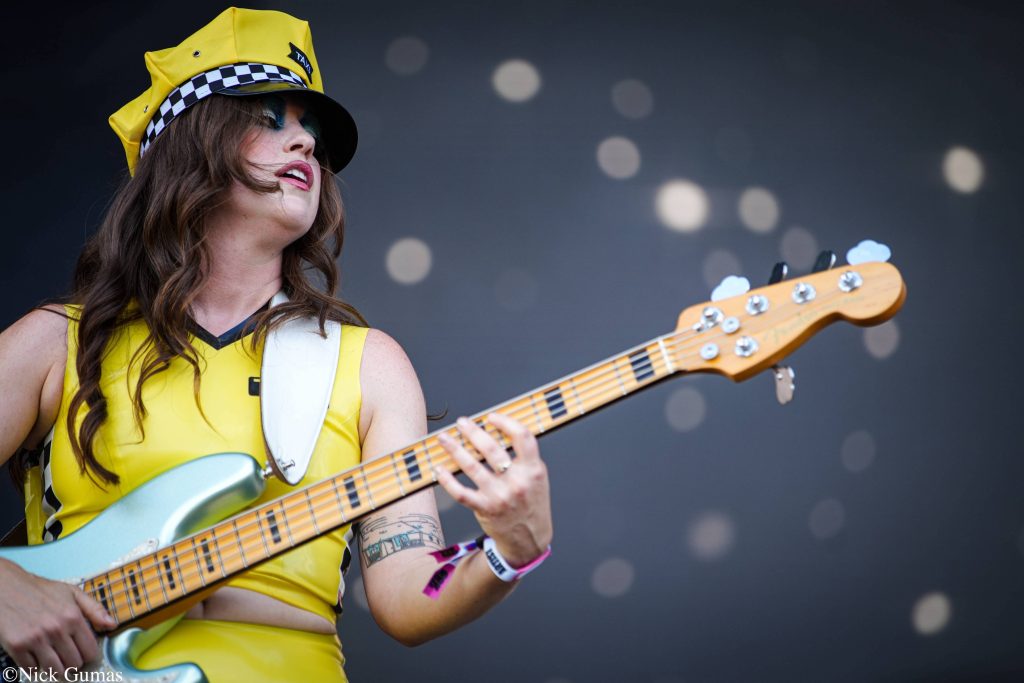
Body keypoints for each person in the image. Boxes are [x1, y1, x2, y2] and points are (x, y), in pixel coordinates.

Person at [0, 8, 553, 682]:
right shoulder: (57, 342)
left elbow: (406, 597)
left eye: (312, 134)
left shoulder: (369, 365)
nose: (306, 145)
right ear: (191, 145)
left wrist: (507, 552)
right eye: (268, 120)